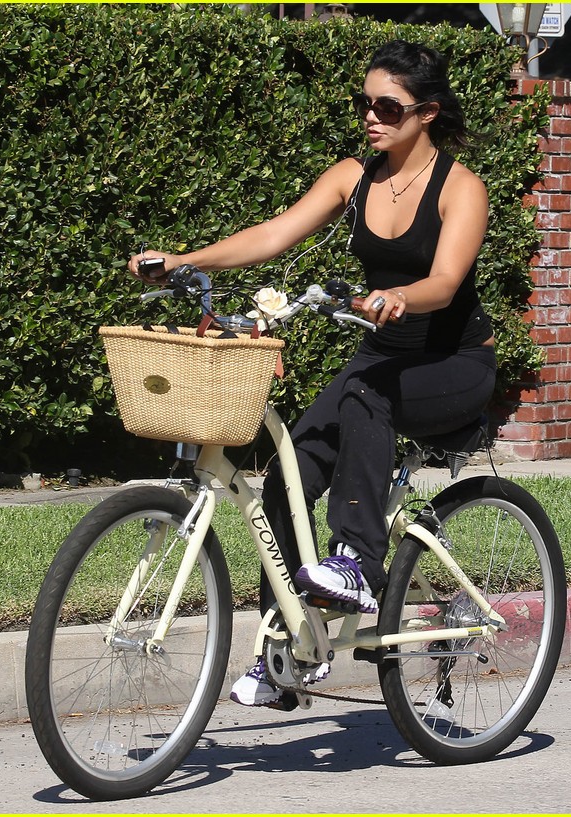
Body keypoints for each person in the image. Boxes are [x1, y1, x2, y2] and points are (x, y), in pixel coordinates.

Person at [128, 40, 497, 707]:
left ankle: (357, 560)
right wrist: (188, 259)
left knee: (363, 394)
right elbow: (273, 233)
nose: (371, 117)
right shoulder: (354, 177)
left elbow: (445, 281)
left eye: (388, 106)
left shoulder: (461, 187)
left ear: (427, 113)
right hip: (382, 363)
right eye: (365, 103)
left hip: (454, 362)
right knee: (286, 477)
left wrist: (401, 296)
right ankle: (286, 650)